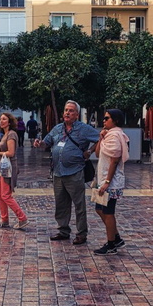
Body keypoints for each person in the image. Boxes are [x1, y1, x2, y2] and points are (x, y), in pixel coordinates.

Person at [34, 100, 100, 245]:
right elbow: (47, 142)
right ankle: (63, 231)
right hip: (58, 172)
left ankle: (81, 233)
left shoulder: (84, 129)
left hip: (74, 172)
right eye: (65, 110)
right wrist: (40, 144)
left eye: (71, 110)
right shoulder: (57, 128)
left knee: (79, 204)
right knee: (61, 204)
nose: (67, 113)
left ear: (77, 114)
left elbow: (100, 138)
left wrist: (90, 151)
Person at [93, 109, 129, 255]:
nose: (104, 120)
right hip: (102, 179)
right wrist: (101, 138)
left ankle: (111, 244)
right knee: (99, 209)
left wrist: (107, 181)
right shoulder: (108, 136)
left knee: (108, 212)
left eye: (107, 118)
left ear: (115, 120)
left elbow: (114, 160)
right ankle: (116, 238)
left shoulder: (115, 136)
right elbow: (97, 153)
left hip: (111, 182)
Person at [0, 112, 29, 230]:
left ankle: (22, 218)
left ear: (9, 122)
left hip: (8, 167)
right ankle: (4, 219)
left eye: (4, 119)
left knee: (6, 195)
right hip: (2, 166)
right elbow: (4, 149)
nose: (1, 121)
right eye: (0, 119)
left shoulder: (11, 134)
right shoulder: (5, 134)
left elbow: (11, 153)